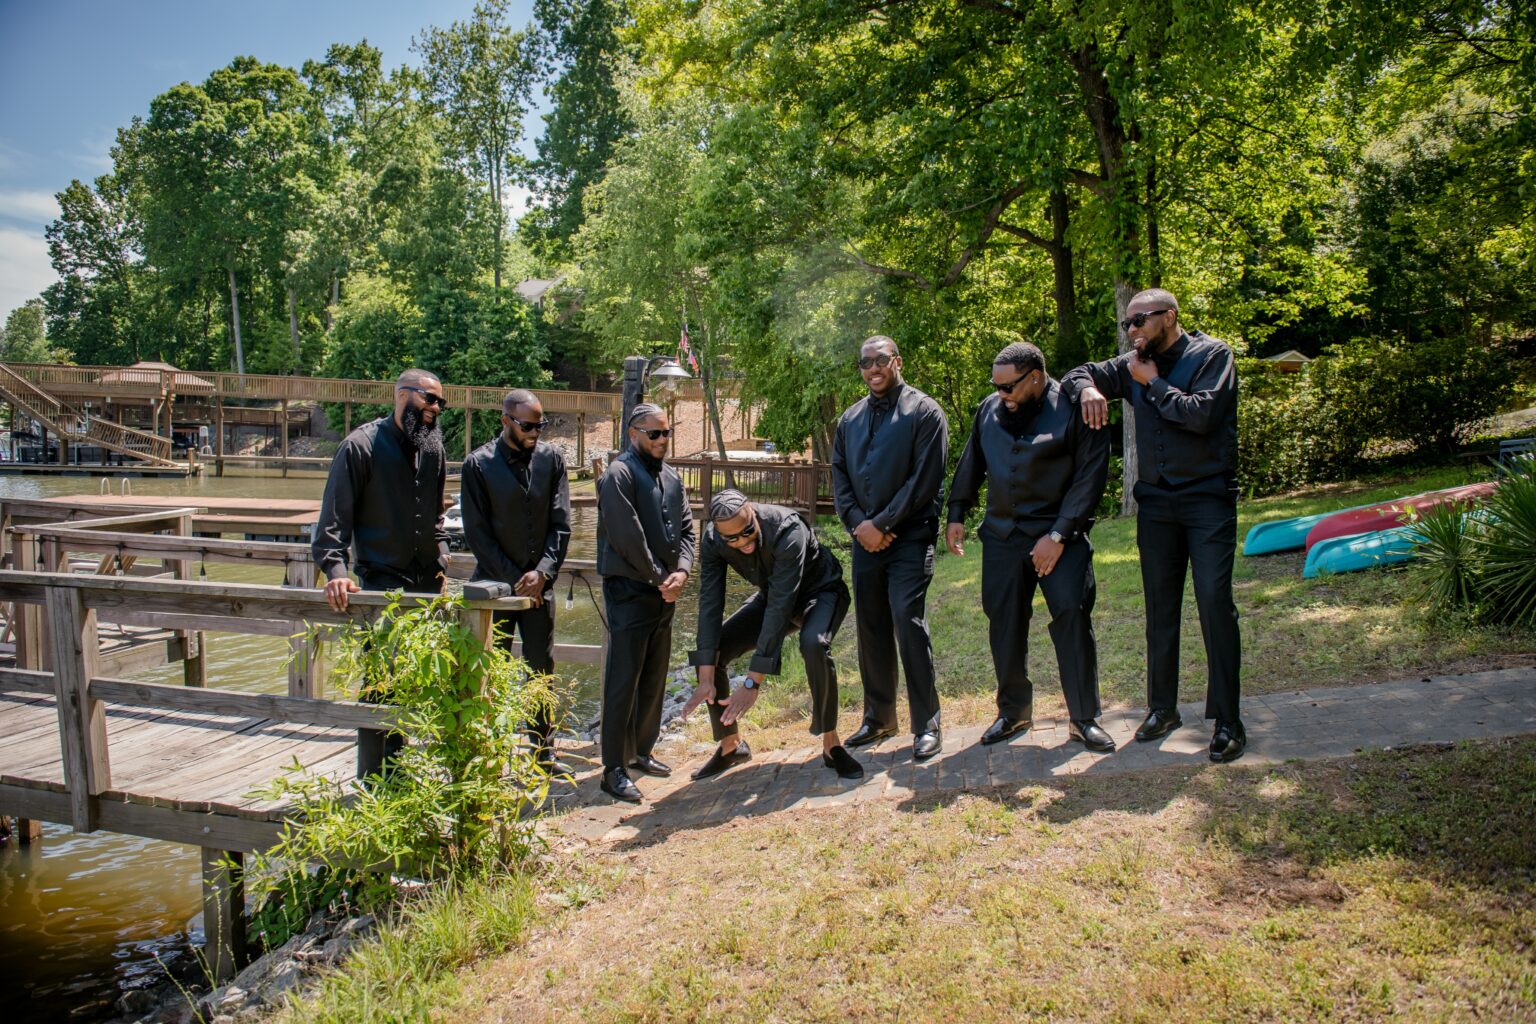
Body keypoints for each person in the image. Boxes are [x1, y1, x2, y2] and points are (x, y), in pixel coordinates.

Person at [1061, 288, 1246, 762]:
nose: (1133, 330)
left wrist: (1152, 383)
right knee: (1159, 610)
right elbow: (1075, 373)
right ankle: (1162, 708)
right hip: (1157, 507)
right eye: (1128, 323)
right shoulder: (1132, 362)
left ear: (1170, 316)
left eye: (1140, 320)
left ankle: (1228, 720)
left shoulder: (1212, 355)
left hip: (1207, 501)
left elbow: (1202, 415)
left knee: (1214, 605)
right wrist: (1088, 389)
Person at [946, 342, 1114, 753]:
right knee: (1003, 623)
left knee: (1072, 617)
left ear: (1036, 377)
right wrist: (956, 512)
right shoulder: (990, 409)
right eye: (996, 386)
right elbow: (973, 461)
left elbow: (1090, 478)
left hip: (1061, 537)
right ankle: (1013, 712)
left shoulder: (1077, 408)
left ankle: (1083, 717)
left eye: (1008, 387)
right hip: (1003, 538)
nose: (1000, 394)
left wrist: (1057, 535)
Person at [312, 368, 450, 777]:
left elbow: (437, 516)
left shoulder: (433, 448)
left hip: (428, 585)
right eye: (429, 399)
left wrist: (443, 557)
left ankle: (408, 771)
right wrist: (335, 570)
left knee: (421, 681)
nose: (436, 408)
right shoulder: (360, 447)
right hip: (382, 585)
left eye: (441, 402)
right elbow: (332, 523)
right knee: (381, 684)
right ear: (402, 395)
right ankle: (375, 779)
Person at [680, 490, 863, 781]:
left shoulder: (787, 529)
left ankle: (832, 744)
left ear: (752, 511)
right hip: (773, 595)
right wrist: (705, 676)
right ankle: (731, 746)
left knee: (813, 644)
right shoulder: (713, 540)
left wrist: (753, 682)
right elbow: (710, 603)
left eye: (748, 532)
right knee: (717, 649)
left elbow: (781, 607)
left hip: (821, 593)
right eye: (732, 539)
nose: (742, 542)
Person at [831, 335, 949, 761]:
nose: (873, 368)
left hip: (910, 537)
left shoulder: (925, 412)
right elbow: (839, 478)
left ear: (896, 361)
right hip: (864, 541)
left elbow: (925, 480)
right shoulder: (849, 419)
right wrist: (859, 526)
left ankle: (927, 724)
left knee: (907, 620)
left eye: (880, 360)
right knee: (871, 625)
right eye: (865, 362)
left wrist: (882, 523)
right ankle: (879, 717)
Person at [460, 389, 572, 774]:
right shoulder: (477, 465)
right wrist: (515, 579)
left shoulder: (552, 459)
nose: (535, 432)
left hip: (541, 587)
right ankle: (487, 754)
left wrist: (542, 573)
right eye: (527, 425)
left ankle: (543, 754)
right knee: (490, 670)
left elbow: (561, 524)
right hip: (495, 588)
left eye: (540, 425)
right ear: (505, 420)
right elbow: (477, 534)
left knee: (542, 669)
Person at [594, 404, 696, 802]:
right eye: (654, 434)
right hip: (631, 591)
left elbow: (687, 527)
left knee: (654, 677)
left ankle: (641, 751)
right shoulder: (619, 474)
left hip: (665, 592)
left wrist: (683, 572)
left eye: (667, 433)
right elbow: (627, 536)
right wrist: (659, 578)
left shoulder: (671, 476)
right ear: (633, 433)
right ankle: (612, 768)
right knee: (623, 679)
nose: (662, 441)